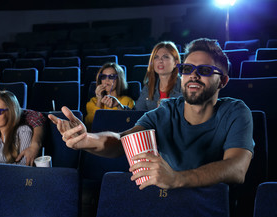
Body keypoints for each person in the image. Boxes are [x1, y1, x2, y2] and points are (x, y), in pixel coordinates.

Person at [49, 38, 254, 190]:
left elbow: (236, 168)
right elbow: (122, 141)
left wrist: (177, 178)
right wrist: (87, 140)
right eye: (188, 68)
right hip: (166, 201)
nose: (194, 75)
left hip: (211, 206)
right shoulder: (166, 111)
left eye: (206, 70)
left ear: (223, 81)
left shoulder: (236, 111)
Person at [85, 62, 135, 130]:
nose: (106, 80)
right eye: (103, 76)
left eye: (111, 76)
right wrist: (99, 100)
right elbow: (90, 125)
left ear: (119, 79)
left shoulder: (126, 100)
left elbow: (127, 124)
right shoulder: (93, 101)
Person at [135, 41, 182, 111]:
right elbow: (137, 112)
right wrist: (121, 108)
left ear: (175, 63)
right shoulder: (148, 86)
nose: (160, 60)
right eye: (156, 57)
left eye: (165, 57)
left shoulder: (184, 86)